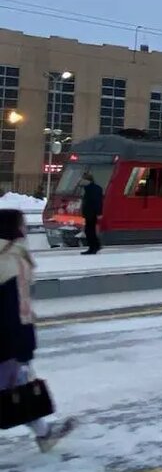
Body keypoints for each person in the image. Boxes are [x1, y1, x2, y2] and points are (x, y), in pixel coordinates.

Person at [0, 209, 74, 452]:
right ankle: (44, 435)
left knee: (16, 387)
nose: (25, 228)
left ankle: (44, 434)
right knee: (17, 387)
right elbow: (16, 308)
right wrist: (25, 347)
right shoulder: (12, 259)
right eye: (22, 224)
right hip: (6, 340)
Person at [80, 170, 104, 255]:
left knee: (89, 231)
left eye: (82, 179)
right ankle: (95, 246)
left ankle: (93, 247)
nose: (81, 181)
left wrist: (99, 213)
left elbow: (97, 202)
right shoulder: (90, 188)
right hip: (90, 213)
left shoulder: (92, 189)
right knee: (90, 230)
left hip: (92, 213)